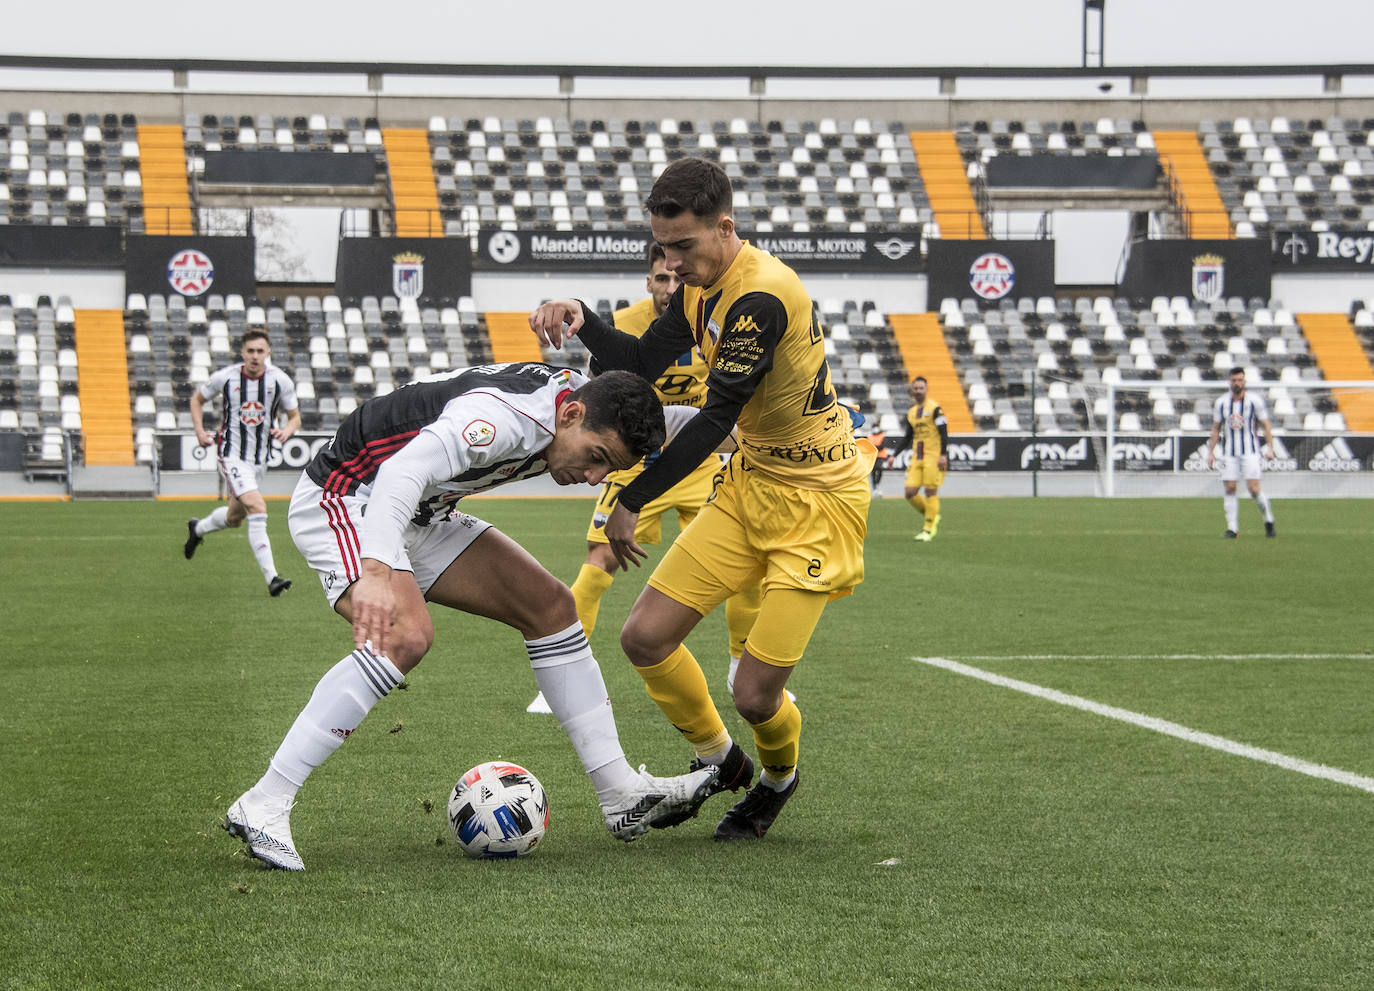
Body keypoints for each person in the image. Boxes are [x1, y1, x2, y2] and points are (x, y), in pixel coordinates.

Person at [222, 362, 719, 871]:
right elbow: (401, 471)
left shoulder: (579, 405)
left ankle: (620, 793)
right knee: (405, 636)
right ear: (570, 413)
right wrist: (374, 569)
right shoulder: (502, 419)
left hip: (423, 511)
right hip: (351, 500)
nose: (592, 478)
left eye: (607, 471)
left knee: (551, 608)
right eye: (596, 458)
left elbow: (691, 418)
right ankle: (266, 800)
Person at [530, 157, 876, 842]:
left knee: (755, 693)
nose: (673, 262)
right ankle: (722, 760)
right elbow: (642, 359)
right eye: (663, 249)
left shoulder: (760, 297)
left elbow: (716, 417)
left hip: (818, 503)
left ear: (725, 228)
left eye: (684, 247)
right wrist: (584, 321)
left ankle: (778, 780)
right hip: (752, 485)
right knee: (644, 637)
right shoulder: (696, 287)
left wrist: (632, 492)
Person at [526, 242, 765, 715]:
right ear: (648, 281)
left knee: (746, 560)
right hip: (633, 456)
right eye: (661, 279)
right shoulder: (627, 324)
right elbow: (606, 389)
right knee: (600, 560)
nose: (669, 287)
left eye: (675, 280)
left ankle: (741, 667)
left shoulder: (709, 317)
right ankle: (564, 678)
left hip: (697, 451)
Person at [183, 328, 300, 597]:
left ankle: (197, 528)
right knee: (257, 507)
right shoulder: (225, 378)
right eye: (251, 351)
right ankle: (272, 577)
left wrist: (288, 430)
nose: (255, 356)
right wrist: (200, 432)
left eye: (260, 351)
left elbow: (295, 416)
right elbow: (196, 400)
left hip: (260, 459)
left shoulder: (280, 381)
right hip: (232, 454)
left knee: (234, 518)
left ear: (268, 353)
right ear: (242, 353)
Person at [1207, 366, 1277, 538]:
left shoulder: (1255, 401)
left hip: (1250, 451)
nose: (1236, 383)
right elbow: (1216, 428)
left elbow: (1265, 425)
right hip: (1228, 452)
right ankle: (1233, 529)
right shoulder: (1222, 403)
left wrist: (1271, 447)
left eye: (1239, 380)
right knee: (1230, 488)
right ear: (1229, 382)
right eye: (1233, 380)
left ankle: (1268, 520)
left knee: (1253, 489)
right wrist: (1211, 452)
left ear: (1244, 381)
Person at [897, 376, 949, 542]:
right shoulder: (912, 412)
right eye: (916, 388)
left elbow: (944, 432)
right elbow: (907, 437)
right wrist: (893, 455)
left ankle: (928, 529)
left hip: (933, 457)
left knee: (930, 491)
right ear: (912, 391)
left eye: (921, 388)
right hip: (917, 457)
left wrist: (943, 454)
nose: (918, 391)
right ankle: (932, 515)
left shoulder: (935, 409)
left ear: (926, 389)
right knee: (910, 492)